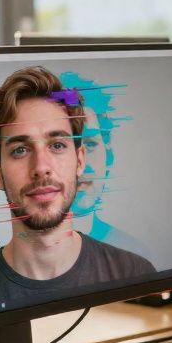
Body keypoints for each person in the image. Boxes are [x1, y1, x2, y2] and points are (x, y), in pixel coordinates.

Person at [0, 67, 156, 317]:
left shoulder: (137, 276)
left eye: (57, 145)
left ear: (79, 161)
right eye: (20, 150)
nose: (41, 168)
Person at [58, 71, 150, 258]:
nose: (80, 165)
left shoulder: (135, 257)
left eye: (90, 144)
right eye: (61, 146)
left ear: (109, 157)